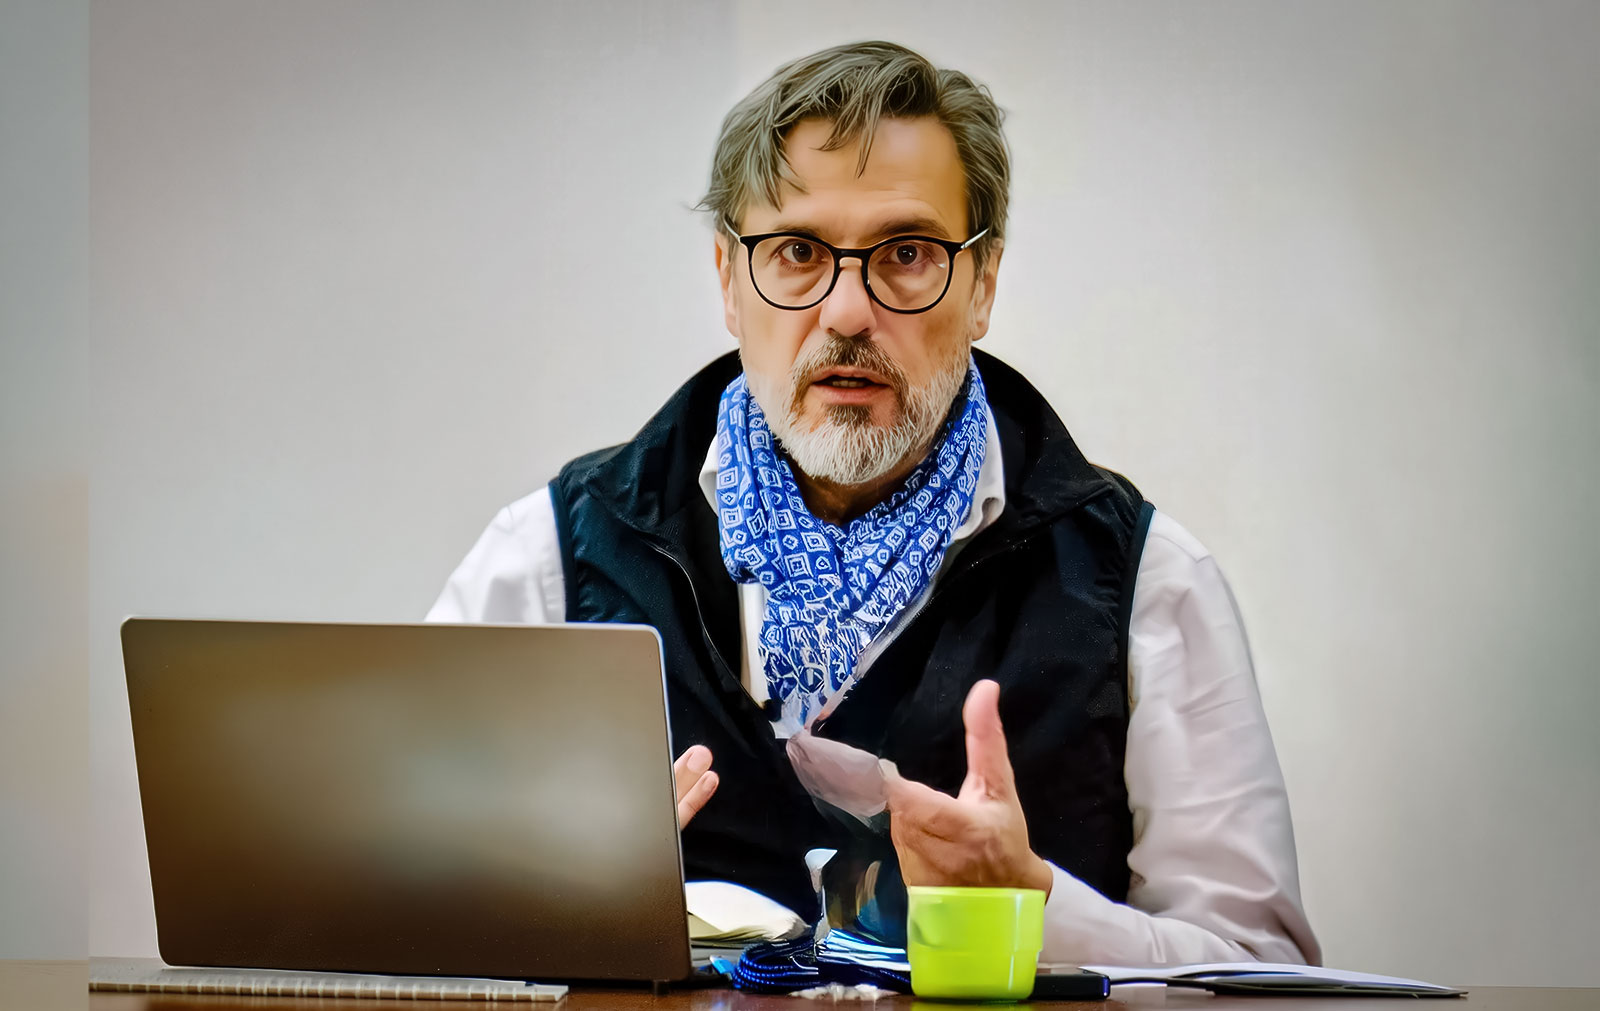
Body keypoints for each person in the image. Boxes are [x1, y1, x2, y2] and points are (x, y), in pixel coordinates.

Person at [427, 40, 1319, 966]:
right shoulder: (551, 561)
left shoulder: (1145, 583)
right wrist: (539, 899)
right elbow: (385, 915)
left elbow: (1257, 968)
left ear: (983, 283)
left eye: (907, 254)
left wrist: (1037, 909)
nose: (848, 312)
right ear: (728, 279)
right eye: (797, 252)